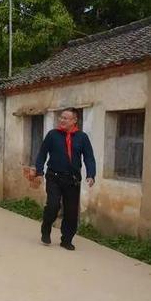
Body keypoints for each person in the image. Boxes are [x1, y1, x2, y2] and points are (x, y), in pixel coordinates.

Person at [35, 107, 96, 250]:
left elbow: (89, 157)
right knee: (53, 205)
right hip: (54, 177)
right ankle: (46, 229)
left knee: (71, 212)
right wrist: (39, 171)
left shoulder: (82, 137)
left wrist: (91, 174)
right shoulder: (52, 135)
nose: (62, 120)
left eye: (66, 118)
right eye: (61, 117)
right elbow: (42, 154)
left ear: (74, 120)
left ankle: (66, 239)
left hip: (72, 180)